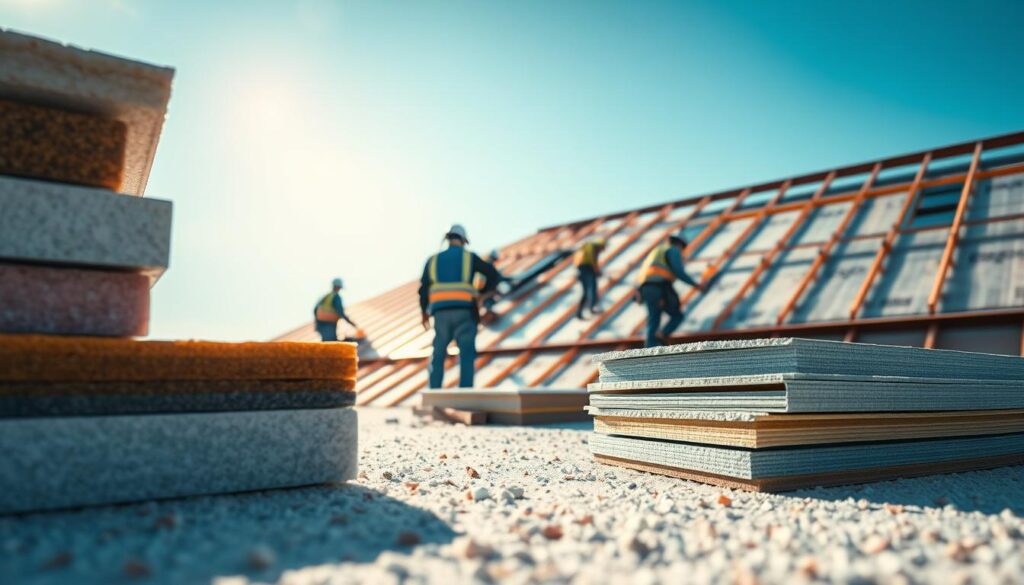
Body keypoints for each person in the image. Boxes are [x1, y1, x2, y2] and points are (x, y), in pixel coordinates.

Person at [419, 224, 501, 388]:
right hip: (465, 312)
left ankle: (434, 394)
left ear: (448, 239)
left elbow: (423, 289)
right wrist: (483, 293)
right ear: (464, 240)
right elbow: (494, 275)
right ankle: (465, 395)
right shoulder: (469, 257)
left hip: (440, 315)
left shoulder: (433, 260)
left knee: (438, 354)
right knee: (467, 355)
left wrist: (424, 313)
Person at [637, 230, 705, 347]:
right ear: (679, 244)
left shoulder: (658, 250)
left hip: (646, 287)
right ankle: (661, 337)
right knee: (677, 315)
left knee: (654, 318)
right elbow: (678, 271)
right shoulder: (673, 250)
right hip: (659, 287)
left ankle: (650, 347)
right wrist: (696, 285)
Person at [313, 277, 359, 342]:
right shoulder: (336, 297)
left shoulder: (327, 296)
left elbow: (315, 310)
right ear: (339, 287)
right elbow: (341, 312)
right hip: (328, 325)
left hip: (320, 324)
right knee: (330, 343)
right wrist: (352, 323)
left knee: (326, 342)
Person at [573, 237, 606, 319]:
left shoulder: (586, 248)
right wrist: (597, 271)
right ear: (599, 246)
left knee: (585, 292)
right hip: (587, 268)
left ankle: (579, 312)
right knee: (592, 287)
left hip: (581, 269)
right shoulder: (592, 248)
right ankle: (593, 307)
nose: (600, 252)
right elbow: (593, 261)